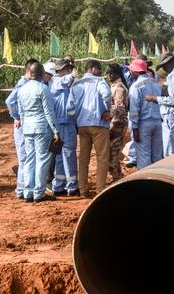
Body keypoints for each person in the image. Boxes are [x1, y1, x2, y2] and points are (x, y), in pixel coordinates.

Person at [17, 62, 60, 203]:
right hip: (42, 128)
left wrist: (24, 127)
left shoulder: (22, 90)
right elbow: (49, 112)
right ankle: (39, 193)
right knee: (42, 160)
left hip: (28, 128)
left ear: (30, 73)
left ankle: (28, 192)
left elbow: (21, 112)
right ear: (42, 74)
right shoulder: (43, 88)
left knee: (30, 159)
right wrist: (55, 130)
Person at [68, 60, 111, 198]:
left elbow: (70, 108)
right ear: (92, 69)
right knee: (102, 158)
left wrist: (77, 119)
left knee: (83, 159)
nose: (100, 72)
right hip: (98, 124)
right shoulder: (99, 81)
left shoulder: (76, 84)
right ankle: (100, 190)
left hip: (82, 126)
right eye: (99, 69)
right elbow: (107, 95)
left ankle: (83, 190)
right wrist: (106, 110)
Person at [5, 58, 37, 199]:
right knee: (24, 159)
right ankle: (21, 189)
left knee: (28, 158)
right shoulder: (22, 84)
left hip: (27, 125)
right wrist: (16, 116)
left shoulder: (28, 83)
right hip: (22, 126)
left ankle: (25, 188)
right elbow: (9, 101)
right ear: (30, 71)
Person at [49, 59, 79, 196]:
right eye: (68, 69)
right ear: (62, 70)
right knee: (69, 155)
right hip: (65, 124)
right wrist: (72, 76)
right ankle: (72, 186)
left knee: (61, 156)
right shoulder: (57, 81)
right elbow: (64, 81)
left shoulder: (64, 84)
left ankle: (58, 185)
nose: (70, 71)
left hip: (61, 124)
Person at [127, 59, 163, 169]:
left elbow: (134, 110)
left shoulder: (136, 86)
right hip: (158, 123)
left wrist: (135, 128)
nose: (130, 72)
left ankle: (146, 183)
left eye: (132, 70)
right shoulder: (156, 84)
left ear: (137, 71)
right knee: (157, 155)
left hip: (143, 124)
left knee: (143, 156)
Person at [106, 64, 129, 180]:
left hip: (117, 123)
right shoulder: (114, 85)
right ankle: (117, 175)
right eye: (107, 73)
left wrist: (106, 112)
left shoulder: (119, 87)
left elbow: (120, 108)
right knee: (112, 151)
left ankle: (116, 177)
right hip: (116, 122)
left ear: (117, 74)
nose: (109, 75)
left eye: (111, 73)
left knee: (112, 152)